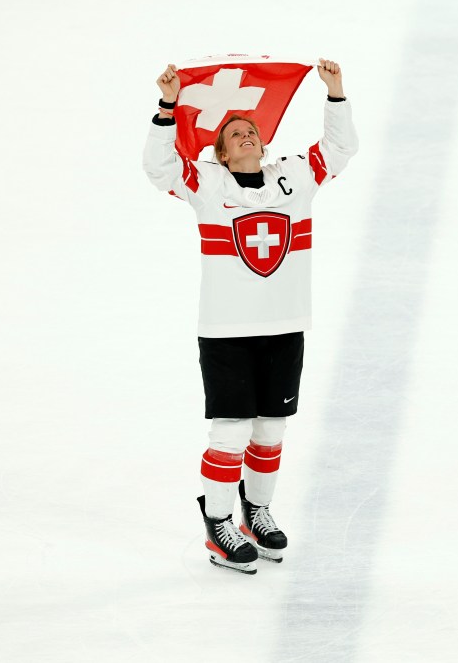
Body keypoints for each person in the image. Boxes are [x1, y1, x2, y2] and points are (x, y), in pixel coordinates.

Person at [143, 58, 358, 574]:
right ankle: (219, 524)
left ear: (263, 144)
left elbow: (340, 149)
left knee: (270, 432)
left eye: (251, 131)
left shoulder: (294, 178)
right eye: (233, 133)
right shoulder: (208, 185)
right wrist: (168, 106)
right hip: (227, 332)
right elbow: (159, 168)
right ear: (218, 152)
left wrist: (335, 94)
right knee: (231, 434)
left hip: (285, 327)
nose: (245, 135)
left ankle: (256, 511)